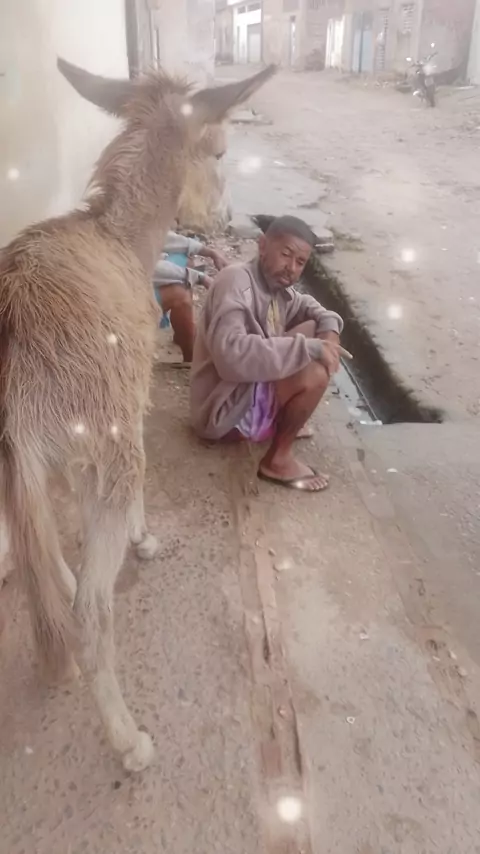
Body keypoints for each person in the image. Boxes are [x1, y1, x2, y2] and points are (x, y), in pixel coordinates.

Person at [190, 216, 347, 493]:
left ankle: (279, 419)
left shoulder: (277, 288)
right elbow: (231, 358)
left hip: (244, 390)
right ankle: (277, 460)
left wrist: (330, 333)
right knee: (316, 371)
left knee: (315, 328)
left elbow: (312, 308)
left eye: (300, 262)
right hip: (224, 411)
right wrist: (309, 348)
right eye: (286, 254)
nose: (291, 268)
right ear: (262, 245)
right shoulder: (235, 281)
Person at [153, 230, 228, 363]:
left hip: (148, 268)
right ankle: (190, 357)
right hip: (130, 286)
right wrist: (198, 277)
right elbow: (148, 268)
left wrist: (211, 253)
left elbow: (161, 237)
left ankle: (182, 333)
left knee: (187, 260)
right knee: (181, 297)